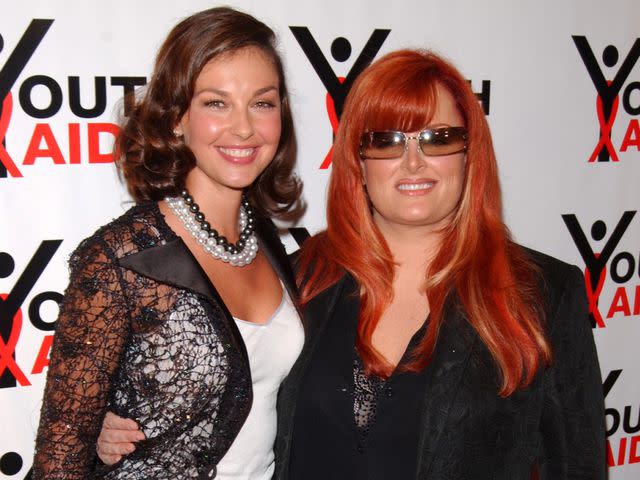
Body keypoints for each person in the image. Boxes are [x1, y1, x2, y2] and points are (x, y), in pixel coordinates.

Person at [97, 49, 607, 480]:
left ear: (470, 155)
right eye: (386, 140)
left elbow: (577, 465)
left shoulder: (542, 293)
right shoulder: (297, 279)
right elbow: (221, 395)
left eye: (438, 138)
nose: (413, 162)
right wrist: (121, 426)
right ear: (358, 163)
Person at [32, 7, 304, 480]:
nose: (244, 127)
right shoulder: (121, 260)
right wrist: (97, 435)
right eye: (216, 103)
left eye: (263, 102)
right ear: (177, 117)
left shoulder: (269, 246)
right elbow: (59, 463)